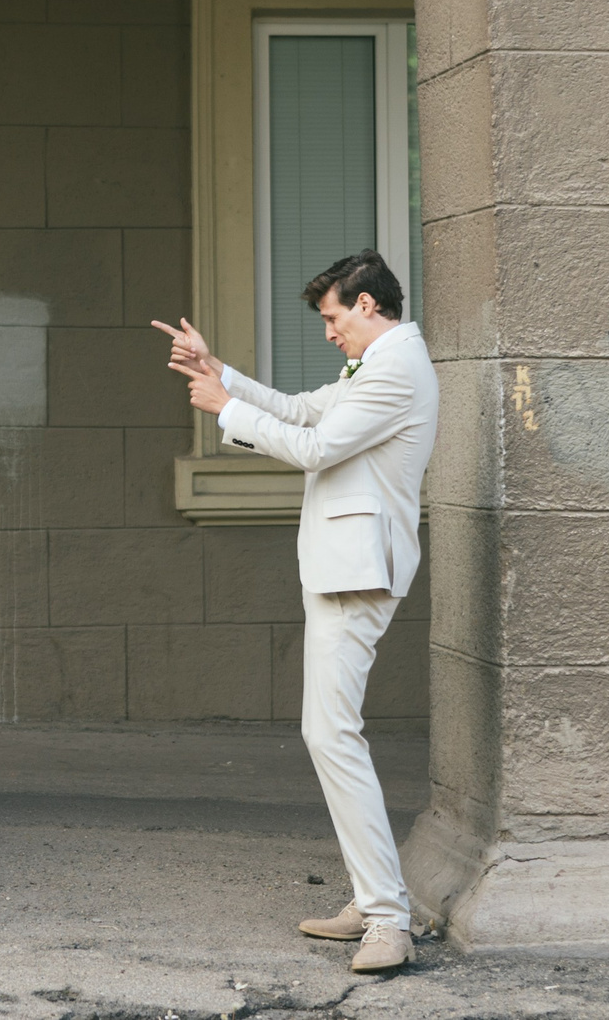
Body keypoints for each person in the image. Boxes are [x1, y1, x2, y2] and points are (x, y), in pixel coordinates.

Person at [154, 249, 437, 974]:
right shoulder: (375, 364)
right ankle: (376, 897)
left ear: (368, 305)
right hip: (343, 565)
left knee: (331, 731)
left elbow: (315, 447)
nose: (329, 331)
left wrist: (227, 410)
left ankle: (387, 917)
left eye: (333, 316)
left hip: (359, 570)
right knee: (330, 731)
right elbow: (305, 409)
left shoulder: (398, 367)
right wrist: (220, 375)